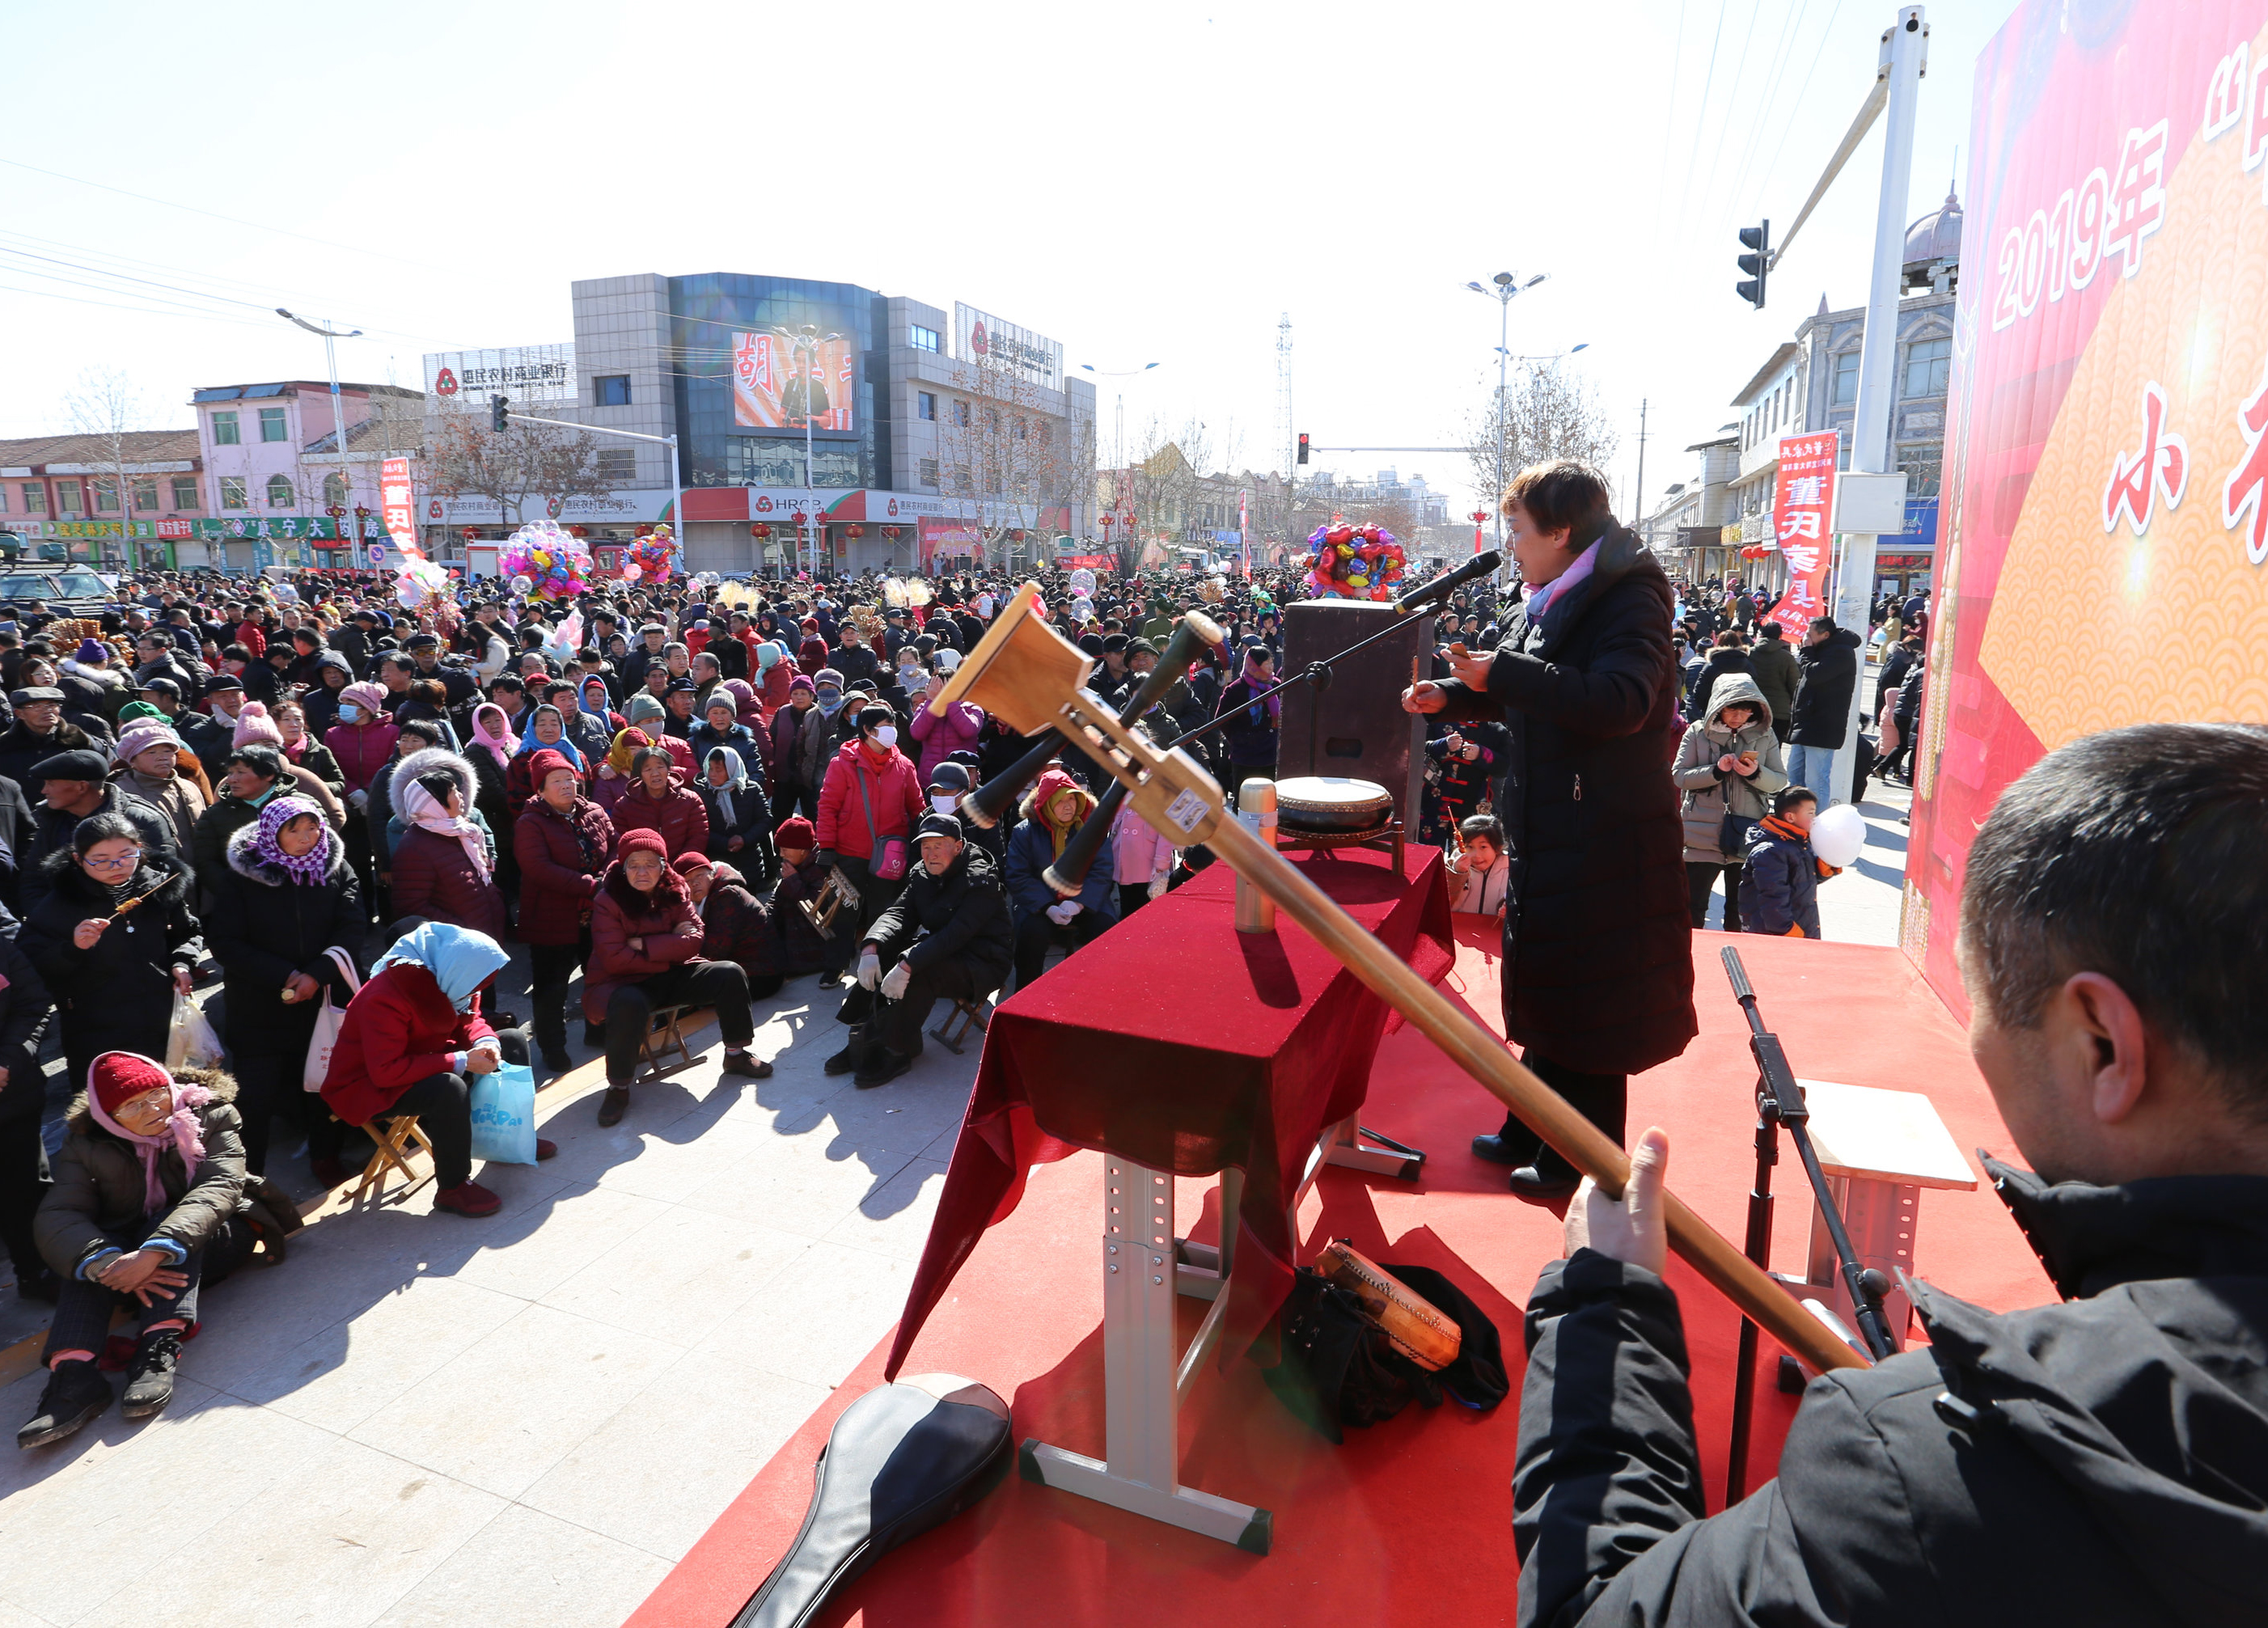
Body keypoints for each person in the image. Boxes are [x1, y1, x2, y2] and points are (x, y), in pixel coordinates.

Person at [1513, 722, 2268, 1628]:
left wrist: (1605, 1307)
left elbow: (1594, 1609)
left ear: (2099, 1042)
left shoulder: (1929, 1481)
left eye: (1982, 993)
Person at [1404, 459, 1694, 1201]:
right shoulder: (1552, 595)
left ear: (1562, 532)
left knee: (1591, 1000)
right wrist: (1456, 700)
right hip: (1554, 820)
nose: (1513, 544)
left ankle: (1583, 1157)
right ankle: (1531, 1122)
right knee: (1548, 980)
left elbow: (1619, 701)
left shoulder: (1630, 596)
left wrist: (1499, 676)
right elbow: (1535, 695)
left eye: (1520, 530)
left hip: (1607, 831)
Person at [14, 1052, 249, 1447]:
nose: (154, 1109)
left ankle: (157, 1346)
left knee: (166, 1225)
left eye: (158, 1093)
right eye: (132, 1105)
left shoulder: (210, 1113)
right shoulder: (87, 1140)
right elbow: (60, 1213)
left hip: (221, 1235)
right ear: (109, 1117)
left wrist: (154, 1252)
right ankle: (74, 1374)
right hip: (133, 1250)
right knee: (87, 1256)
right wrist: (106, 1262)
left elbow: (219, 1188)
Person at [315, 923, 548, 1211]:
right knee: (448, 1088)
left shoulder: (452, 978)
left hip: (421, 1058)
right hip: (366, 1085)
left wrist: (486, 1041)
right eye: (477, 985)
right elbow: (386, 1070)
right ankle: (453, 1187)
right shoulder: (384, 997)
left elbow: (470, 1019)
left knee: (511, 1040)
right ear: (458, 969)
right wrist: (461, 1060)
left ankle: (514, 1139)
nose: (477, 992)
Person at [203, 796, 366, 1176]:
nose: (306, 837)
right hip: (259, 1006)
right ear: (272, 832)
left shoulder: (337, 869)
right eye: (294, 829)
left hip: (321, 1001)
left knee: (322, 1083)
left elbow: (352, 925)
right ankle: (247, 1181)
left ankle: (326, 1159)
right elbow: (225, 942)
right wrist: (284, 975)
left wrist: (317, 973)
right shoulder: (240, 878)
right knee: (255, 1098)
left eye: (313, 828)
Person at [583, 828, 768, 1127]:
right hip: (627, 981)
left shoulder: (676, 888)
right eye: (634, 864)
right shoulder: (608, 899)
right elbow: (614, 958)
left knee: (729, 973)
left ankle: (736, 1053)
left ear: (663, 865)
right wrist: (669, 945)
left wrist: (644, 944)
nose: (642, 872)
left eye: (650, 864)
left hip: (672, 970)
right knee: (627, 1002)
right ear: (623, 867)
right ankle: (618, 1087)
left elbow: (695, 939)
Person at [21, 814, 201, 1094]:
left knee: (174, 1101)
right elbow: (31, 964)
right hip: (97, 1029)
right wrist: (72, 948)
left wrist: (181, 963)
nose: (116, 867)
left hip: (163, 1018)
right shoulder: (59, 904)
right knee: (114, 1109)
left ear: (140, 850)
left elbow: (187, 933)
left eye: (126, 855)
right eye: (101, 859)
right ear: (78, 859)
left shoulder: (160, 887)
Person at [837, 812, 1014, 1087]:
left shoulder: (981, 881)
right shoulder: (923, 873)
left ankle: (898, 1050)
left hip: (983, 961)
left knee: (920, 973)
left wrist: (908, 965)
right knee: (885, 952)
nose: (930, 854)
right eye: (925, 846)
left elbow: (955, 936)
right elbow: (899, 913)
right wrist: (870, 946)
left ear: (958, 847)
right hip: (945, 950)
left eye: (938, 845)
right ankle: (861, 1036)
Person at [512, 747, 616, 1072]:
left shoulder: (595, 812)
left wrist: (607, 876)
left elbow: (614, 847)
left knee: (598, 975)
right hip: (551, 917)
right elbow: (538, 868)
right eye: (556, 780)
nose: (566, 785)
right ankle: (552, 1046)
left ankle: (598, 1031)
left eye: (570, 778)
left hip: (595, 913)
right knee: (551, 987)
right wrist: (591, 884)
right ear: (540, 789)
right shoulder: (531, 822)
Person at [812, 703, 924, 978]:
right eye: (886, 726)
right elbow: (827, 807)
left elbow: (917, 808)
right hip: (850, 850)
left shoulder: (904, 765)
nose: (892, 732)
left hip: (891, 852)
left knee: (883, 910)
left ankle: (881, 964)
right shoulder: (842, 764)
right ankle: (836, 964)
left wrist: (921, 842)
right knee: (844, 910)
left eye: (893, 726)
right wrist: (826, 846)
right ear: (866, 730)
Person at [1672, 674, 1788, 933]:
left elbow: (1779, 781)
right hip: (1701, 835)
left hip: (1746, 833)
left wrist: (1756, 773)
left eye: (1746, 709)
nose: (1738, 716)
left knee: (1741, 909)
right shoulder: (1697, 731)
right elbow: (1679, 776)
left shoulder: (1765, 735)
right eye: (1732, 708)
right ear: (1718, 706)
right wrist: (1715, 771)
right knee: (1692, 909)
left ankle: (1736, 961)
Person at [1003, 767, 1119, 992]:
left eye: (1073, 799)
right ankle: (1027, 998)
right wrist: (1048, 907)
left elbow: (1102, 872)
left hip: (1084, 901)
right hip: (1040, 904)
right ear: (1045, 803)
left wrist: (1078, 903)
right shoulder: (1025, 832)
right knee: (1031, 935)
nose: (1069, 806)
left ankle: (1100, 994)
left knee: (1106, 930)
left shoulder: (1091, 829)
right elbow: (1018, 875)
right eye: (1060, 801)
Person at [387, 749, 509, 941]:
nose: (461, 795)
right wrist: (460, 931)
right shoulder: (415, 847)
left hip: (482, 934)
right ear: (434, 803)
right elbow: (411, 905)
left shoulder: (460, 830)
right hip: (458, 943)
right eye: (453, 792)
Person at [0, 937, 53, 1305]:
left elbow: (31, 1004)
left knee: (26, 1188)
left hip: (11, 1096)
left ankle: (36, 1271)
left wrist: (7, 1063)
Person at [673, 851, 784, 1000]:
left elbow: (714, 952)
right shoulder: (698, 903)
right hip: (744, 973)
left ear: (711, 874)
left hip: (762, 976)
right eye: (687, 881)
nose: (694, 883)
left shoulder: (727, 897)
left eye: (699, 875)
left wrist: (682, 942)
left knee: (684, 987)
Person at [1740, 784, 1837, 939]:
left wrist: (1824, 867)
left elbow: (1802, 881)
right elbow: (1773, 897)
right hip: (1778, 934)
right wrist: (1787, 931)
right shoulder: (1771, 852)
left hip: (1802, 924)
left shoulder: (1798, 842)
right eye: (1810, 813)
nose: (1815, 819)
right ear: (1790, 817)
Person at [1786, 614, 1862, 804]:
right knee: (1795, 780)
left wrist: (1806, 651)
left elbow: (1814, 674)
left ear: (1825, 635)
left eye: (1810, 634)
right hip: (1805, 724)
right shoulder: (1819, 650)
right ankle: (1796, 824)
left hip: (1822, 727)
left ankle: (1817, 828)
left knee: (1815, 783)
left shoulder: (1841, 652)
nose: (1806, 638)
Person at [694, 744, 777, 881]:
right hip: (715, 863)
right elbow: (698, 829)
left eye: (718, 770)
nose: (712, 774)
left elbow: (765, 820)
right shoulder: (701, 792)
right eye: (710, 769)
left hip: (749, 861)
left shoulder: (751, 789)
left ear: (732, 769)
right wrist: (724, 842)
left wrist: (744, 839)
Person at [615, 744, 709, 861]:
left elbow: (698, 837)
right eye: (648, 769)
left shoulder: (690, 800)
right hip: (644, 868)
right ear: (640, 775)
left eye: (660, 767)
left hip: (682, 866)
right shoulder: (624, 806)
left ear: (669, 769)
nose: (655, 773)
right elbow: (621, 841)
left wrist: (681, 863)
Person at [769, 814, 831, 979]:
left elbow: (817, 908)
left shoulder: (821, 869)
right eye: (780, 849)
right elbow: (778, 898)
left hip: (815, 944)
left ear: (803, 851)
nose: (782, 854)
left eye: (785, 850)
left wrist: (793, 881)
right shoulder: (795, 865)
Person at [1447, 814, 1512, 915]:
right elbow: (1441, 903)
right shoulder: (1453, 865)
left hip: (1493, 928)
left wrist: (1509, 907)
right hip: (1459, 926)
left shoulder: (1510, 869)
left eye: (1483, 847)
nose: (1476, 855)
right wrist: (1456, 874)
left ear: (1498, 847)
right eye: (1470, 847)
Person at [1746, 620, 1800, 743]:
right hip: (1779, 710)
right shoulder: (1787, 657)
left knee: (1750, 746)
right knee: (1774, 748)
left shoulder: (1749, 654)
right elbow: (1794, 685)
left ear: (1761, 634)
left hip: (1752, 707)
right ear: (1780, 636)